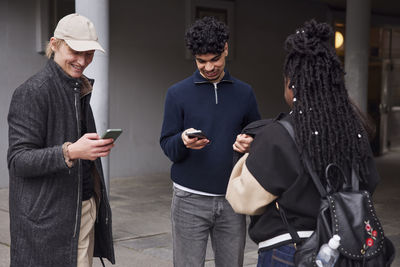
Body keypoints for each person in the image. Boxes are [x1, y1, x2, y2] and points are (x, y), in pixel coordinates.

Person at [226, 20, 380, 266]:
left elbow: (242, 199)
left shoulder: (278, 135)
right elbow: (369, 183)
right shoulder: (354, 129)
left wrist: (249, 155)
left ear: (291, 83)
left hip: (290, 251)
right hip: (346, 249)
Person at [7, 13, 115, 267]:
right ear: (55, 44)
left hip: (83, 208)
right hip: (48, 220)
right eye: (75, 51)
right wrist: (71, 152)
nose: (82, 61)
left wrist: (92, 150)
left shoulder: (78, 86)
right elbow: (18, 160)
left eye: (89, 53)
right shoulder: (32, 92)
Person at [160, 16, 261, 267]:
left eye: (214, 59)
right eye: (201, 61)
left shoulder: (245, 93)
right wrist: (183, 141)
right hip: (188, 200)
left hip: (232, 200)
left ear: (226, 48)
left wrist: (251, 143)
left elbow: (258, 137)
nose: (208, 67)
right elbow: (167, 145)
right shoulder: (177, 94)